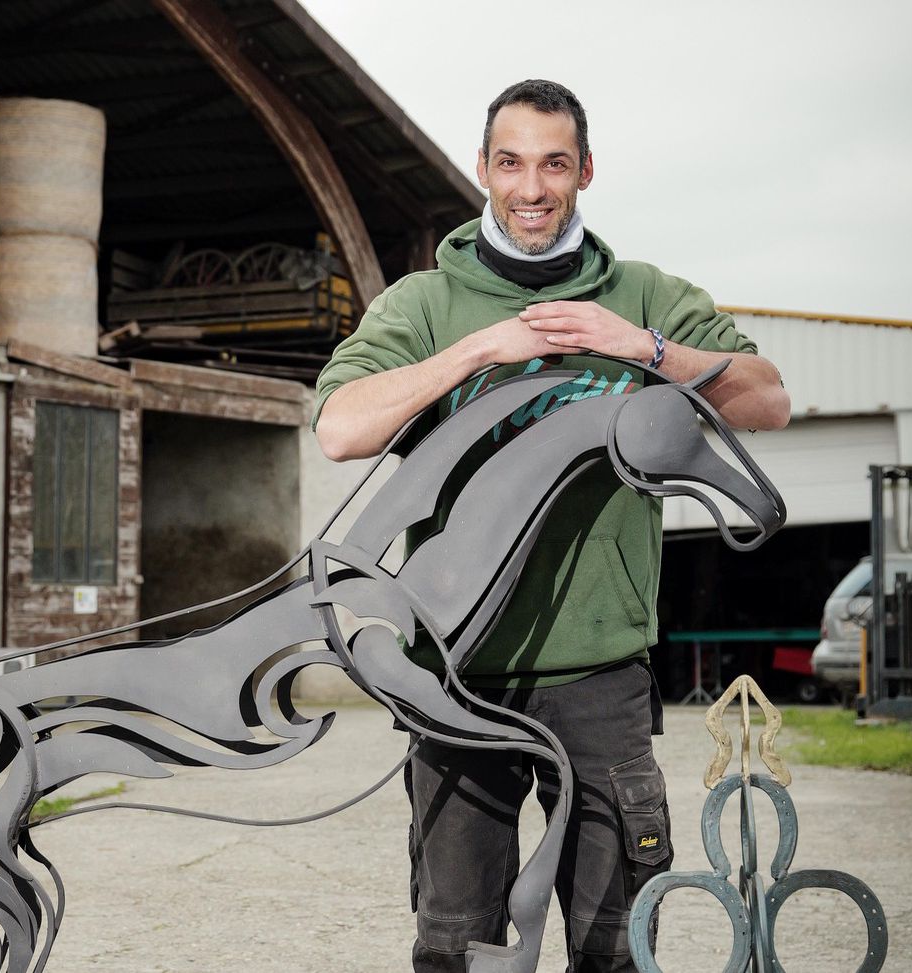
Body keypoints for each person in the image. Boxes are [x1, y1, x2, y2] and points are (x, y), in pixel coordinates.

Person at [312, 79, 790, 972]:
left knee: (617, 941)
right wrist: (476, 351)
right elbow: (340, 427)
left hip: (602, 675)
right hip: (456, 678)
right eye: (511, 162)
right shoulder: (421, 306)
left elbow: (767, 399)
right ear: (484, 171)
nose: (531, 187)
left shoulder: (646, 293)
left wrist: (643, 349)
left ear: (585, 171)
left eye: (553, 164)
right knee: (457, 944)